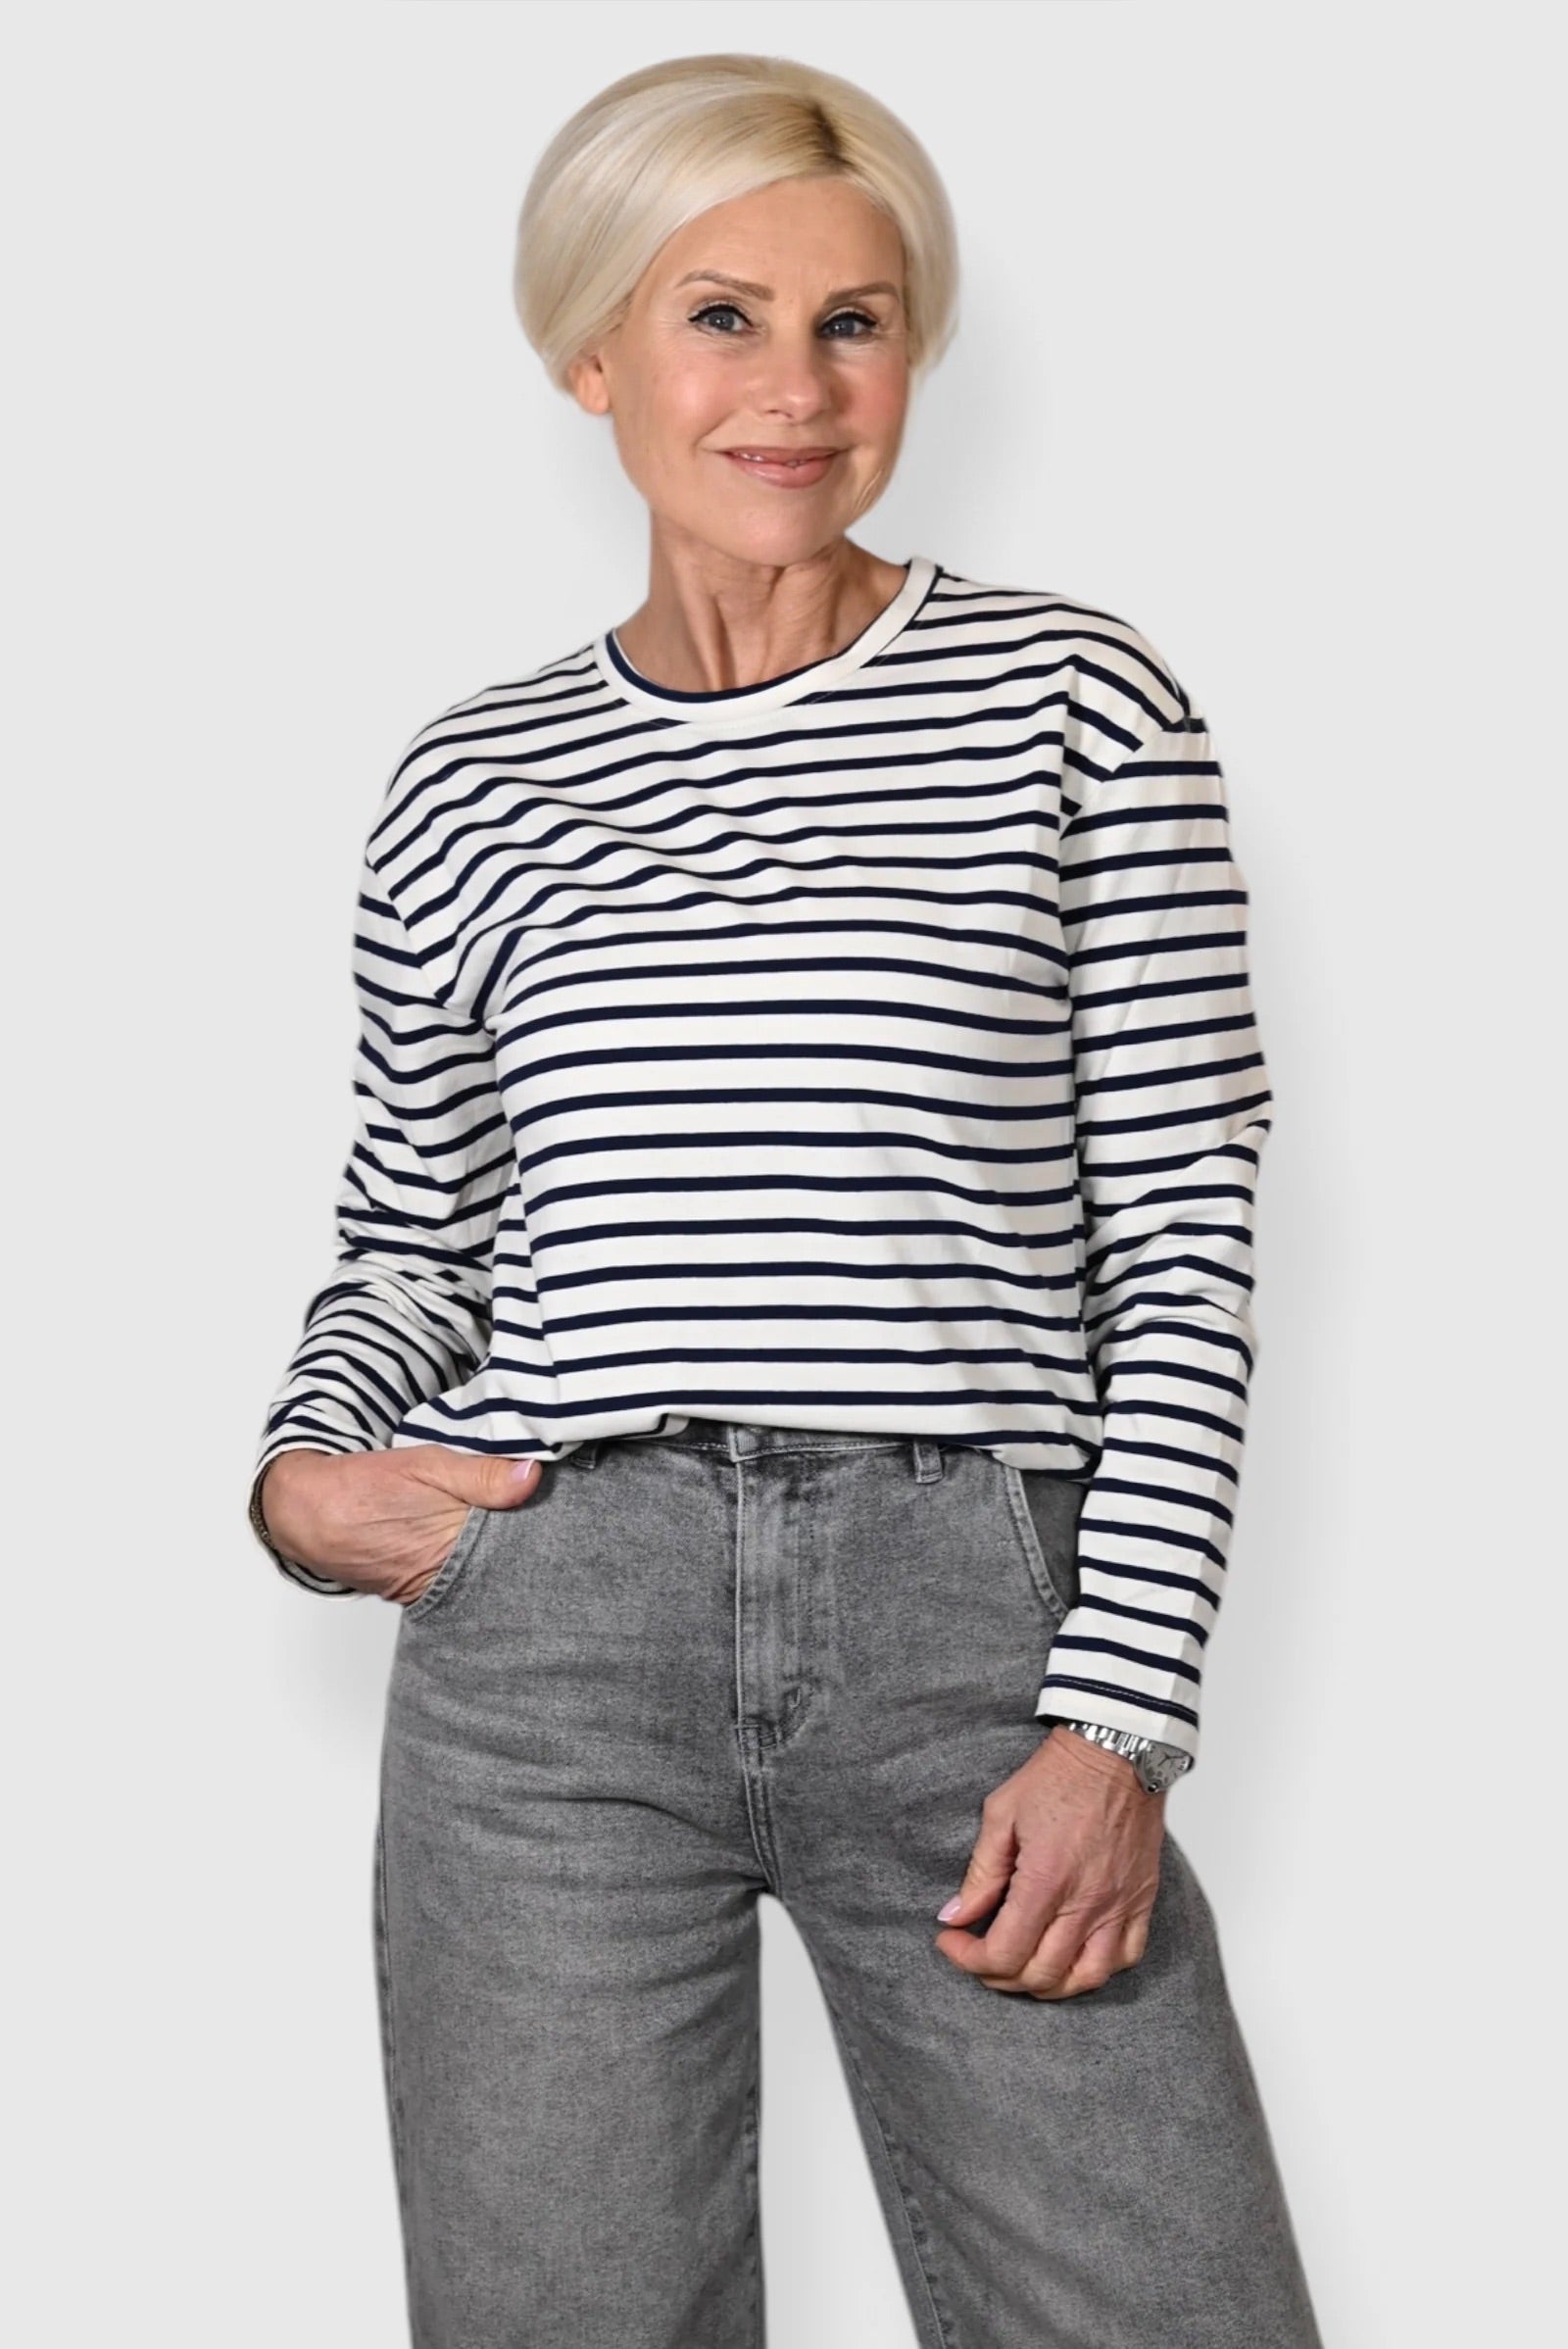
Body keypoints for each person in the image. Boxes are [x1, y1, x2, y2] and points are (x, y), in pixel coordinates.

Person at [249, 51, 1324, 2349]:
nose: (798, 391)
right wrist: (302, 1472)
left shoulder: (1072, 703)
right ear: (592, 353)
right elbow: (417, 1230)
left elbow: (1182, 1235)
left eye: (856, 322)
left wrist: (1114, 1716)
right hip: (553, 1638)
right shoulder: (470, 779)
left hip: (976, 1625)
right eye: (719, 316)